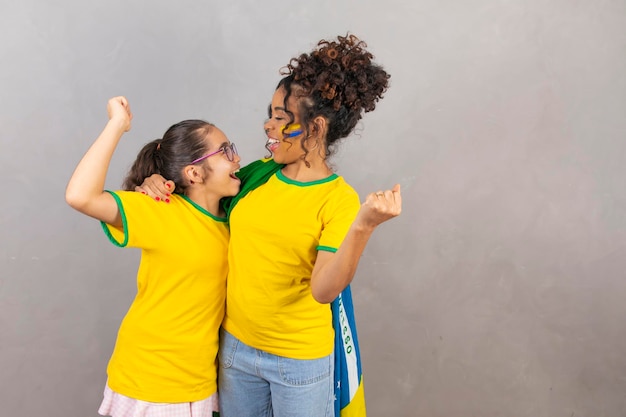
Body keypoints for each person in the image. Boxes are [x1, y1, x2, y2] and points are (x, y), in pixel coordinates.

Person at [139, 34, 401, 417]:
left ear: (315, 129)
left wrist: (364, 227)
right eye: (271, 113)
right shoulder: (257, 176)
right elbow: (195, 198)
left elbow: (324, 290)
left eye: (281, 117)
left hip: (298, 362)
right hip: (235, 350)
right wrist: (154, 183)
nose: (268, 125)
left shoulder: (337, 200)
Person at [65, 96, 241, 417]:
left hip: (199, 384)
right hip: (151, 381)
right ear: (195, 173)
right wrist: (117, 125)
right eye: (226, 151)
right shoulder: (159, 209)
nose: (237, 158)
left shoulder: (235, 217)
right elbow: (80, 196)